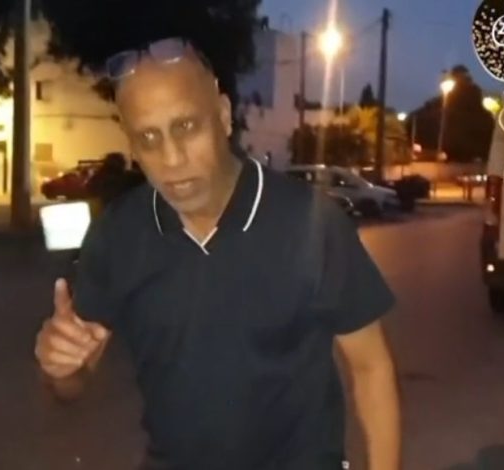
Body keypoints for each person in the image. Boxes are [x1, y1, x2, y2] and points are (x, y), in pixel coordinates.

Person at [34, 37, 401, 470]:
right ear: (131, 146)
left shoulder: (311, 223)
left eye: (186, 127)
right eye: (148, 138)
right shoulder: (118, 235)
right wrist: (60, 366)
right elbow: (71, 384)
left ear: (224, 116)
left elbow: (371, 369)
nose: (172, 158)